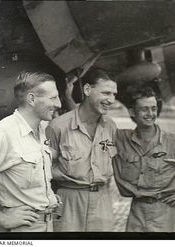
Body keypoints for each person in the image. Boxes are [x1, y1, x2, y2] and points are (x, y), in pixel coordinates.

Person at [0, 71, 62, 232]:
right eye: (53, 98)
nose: (58, 104)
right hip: (23, 230)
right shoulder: (4, 133)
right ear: (31, 99)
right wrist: (3, 219)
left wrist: (47, 198)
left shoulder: (40, 130)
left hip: (46, 224)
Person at [112, 86, 175, 232]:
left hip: (165, 212)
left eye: (153, 108)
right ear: (132, 111)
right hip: (137, 211)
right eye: (144, 109)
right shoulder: (121, 139)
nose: (150, 114)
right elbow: (94, 129)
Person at [46, 67, 118, 231]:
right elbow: (44, 170)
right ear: (87, 89)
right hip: (68, 201)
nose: (111, 100)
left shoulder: (111, 126)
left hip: (102, 201)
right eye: (106, 93)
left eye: (114, 94)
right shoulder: (58, 127)